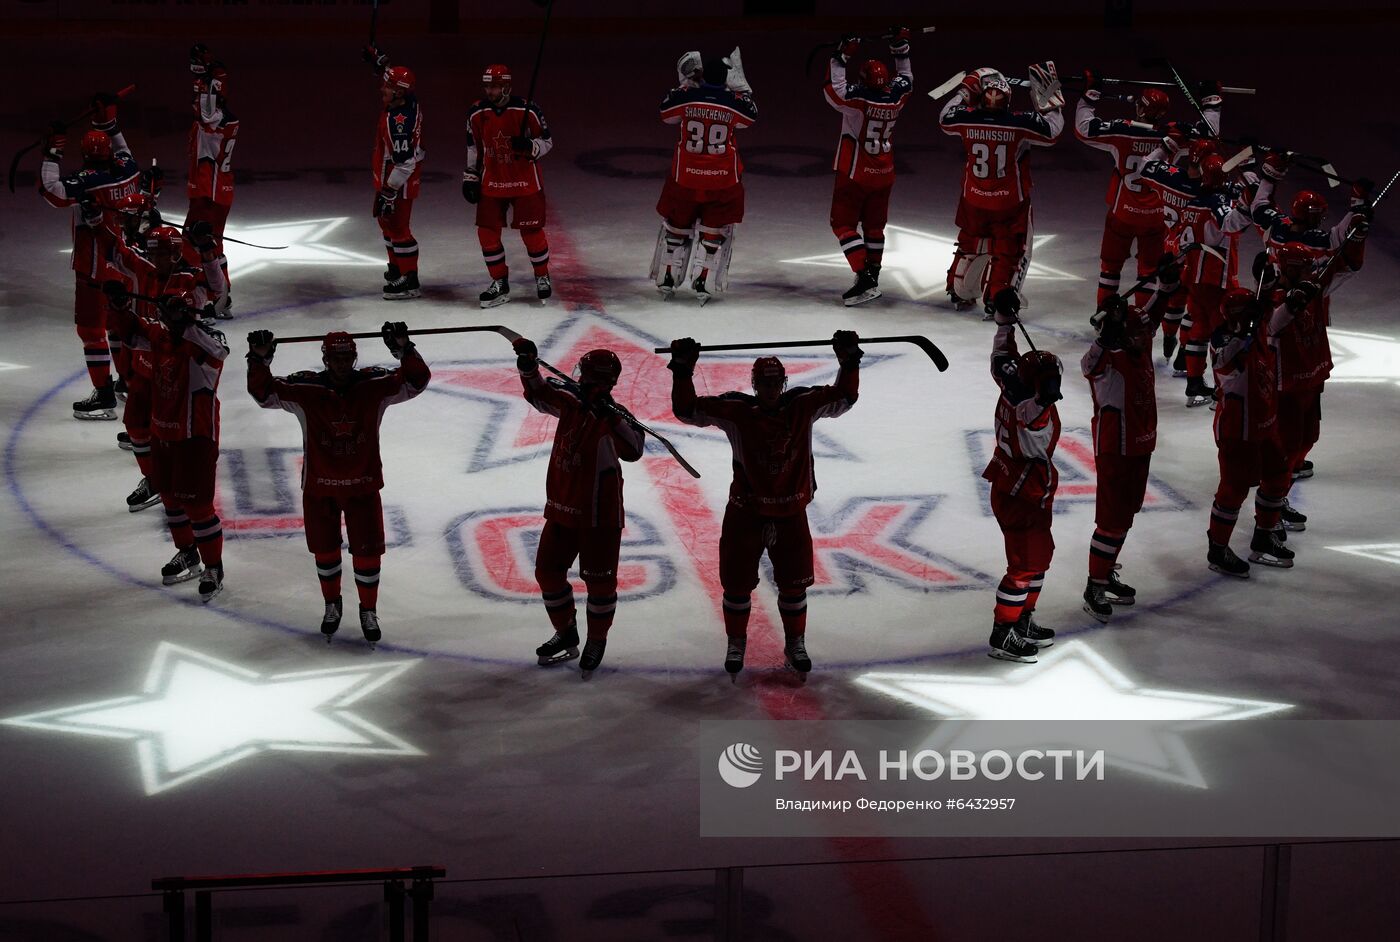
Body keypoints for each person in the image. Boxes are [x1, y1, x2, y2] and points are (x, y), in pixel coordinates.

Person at [668, 331, 862, 679]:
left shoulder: (802, 405)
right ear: (754, 384)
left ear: (784, 383)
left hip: (791, 512)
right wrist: (682, 370)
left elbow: (845, 397)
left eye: (775, 383)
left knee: (794, 585)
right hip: (746, 511)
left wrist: (849, 362)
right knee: (736, 584)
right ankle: (736, 641)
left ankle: (795, 642)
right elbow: (687, 410)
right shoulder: (737, 410)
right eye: (765, 383)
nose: (771, 389)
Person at [246, 323, 430, 647]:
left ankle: (368, 609)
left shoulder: (374, 385)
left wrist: (405, 349)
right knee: (325, 549)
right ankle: (332, 603)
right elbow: (263, 394)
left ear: (354, 358)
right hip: (320, 487)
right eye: (336, 359)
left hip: (363, 486)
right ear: (326, 359)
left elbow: (417, 381)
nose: (342, 365)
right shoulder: (307, 389)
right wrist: (259, 359)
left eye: (347, 359)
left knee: (368, 552)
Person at [511, 340, 644, 677]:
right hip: (562, 507)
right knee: (547, 573)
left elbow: (634, 449)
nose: (580, 378)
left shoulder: (615, 414)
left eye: (585, 373)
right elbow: (539, 393)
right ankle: (566, 631)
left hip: (600, 515)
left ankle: (596, 639)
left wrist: (609, 416)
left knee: (600, 584)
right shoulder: (570, 400)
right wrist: (528, 367)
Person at [103, 283, 230, 602]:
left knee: (198, 508)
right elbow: (131, 331)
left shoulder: (206, 339)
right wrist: (119, 305)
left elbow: (219, 353)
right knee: (171, 500)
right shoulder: (159, 337)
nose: (167, 319)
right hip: (163, 435)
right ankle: (187, 552)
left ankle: (214, 567)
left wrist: (184, 325)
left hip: (195, 439)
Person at [1079, 259, 1181, 620]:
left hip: (1140, 443)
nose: (1145, 337)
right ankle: (1094, 585)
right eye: (1138, 334)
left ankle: (1105, 572)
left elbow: (1150, 316)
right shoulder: (1108, 359)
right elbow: (1087, 365)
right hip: (1116, 449)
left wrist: (1165, 287)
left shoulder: (1137, 342)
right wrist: (1103, 338)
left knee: (1126, 515)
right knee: (1112, 519)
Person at [106, 219, 227, 513]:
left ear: (174, 254)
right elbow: (115, 253)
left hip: (179, 363)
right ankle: (152, 479)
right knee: (135, 425)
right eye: (152, 253)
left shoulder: (191, 278)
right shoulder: (145, 271)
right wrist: (117, 302)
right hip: (147, 358)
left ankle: (177, 483)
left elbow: (218, 288)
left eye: (159, 253)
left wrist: (207, 249)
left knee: (178, 432)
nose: (154, 259)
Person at [39, 92, 140, 419]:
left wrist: (53, 151)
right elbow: (124, 150)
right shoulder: (128, 169)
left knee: (91, 331)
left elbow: (52, 192)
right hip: (125, 264)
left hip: (94, 269)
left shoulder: (86, 183)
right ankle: (128, 381)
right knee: (118, 326)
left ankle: (105, 395)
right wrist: (109, 123)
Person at [939, 63, 1063, 317]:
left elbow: (944, 117)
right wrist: (1050, 99)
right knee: (1009, 250)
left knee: (969, 242)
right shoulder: (1019, 122)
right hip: (1009, 204)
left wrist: (965, 90)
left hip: (973, 199)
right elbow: (1052, 131)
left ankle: (958, 289)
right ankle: (997, 298)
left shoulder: (966, 117)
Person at [1139, 146, 1253, 406]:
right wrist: (1249, 194)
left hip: (1194, 277)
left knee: (1199, 330)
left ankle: (1194, 384)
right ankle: (1222, 390)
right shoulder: (1216, 203)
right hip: (1215, 278)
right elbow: (1233, 224)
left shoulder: (1192, 202)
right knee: (1222, 333)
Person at [983, 288, 1060, 661]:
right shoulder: (1032, 412)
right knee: (1024, 565)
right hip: (1022, 493)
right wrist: (1045, 398)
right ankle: (1003, 633)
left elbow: (1001, 358)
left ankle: (1023, 619)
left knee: (1039, 557)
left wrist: (1004, 322)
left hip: (1016, 486)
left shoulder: (1011, 384)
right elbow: (1036, 412)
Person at [654, 52, 758, 304]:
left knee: (677, 225)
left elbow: (665, 113)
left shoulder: (686, 97)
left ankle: (668, 275)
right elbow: (750, 117)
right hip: (722, 180)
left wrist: (685, 85)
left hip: (685, 177)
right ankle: (704, 278)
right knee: (715, 229)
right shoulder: (733, 102)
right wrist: (742, 89)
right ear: (726, 79)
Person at [822, 28, 913, 306]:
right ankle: (872, 276)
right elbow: (906, 79)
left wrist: (841, 56)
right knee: (874, 228)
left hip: (855, 173)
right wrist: (900, 47)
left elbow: (833, 90)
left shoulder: (859, 101)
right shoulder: (896, 97)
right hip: (884, 173)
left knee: (843, 224)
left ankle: (864, 276)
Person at [1205, 289, 1293, 576]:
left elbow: (1278, 316)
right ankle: (1218, 549)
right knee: (1233, 489)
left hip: (1265, 421)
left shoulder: (1259, 330)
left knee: (1278, 475)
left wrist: (1270, 297)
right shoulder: (1222, 340)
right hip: (1237, 429)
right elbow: (1223, 362)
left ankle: (1264, 536)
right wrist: (1246, 332)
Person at [1074, 73, 1170, 309]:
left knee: (1110, 267)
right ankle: (1143, 319)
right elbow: (1209, 135)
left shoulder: (1123, 131)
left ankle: (1104, 317)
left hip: (1122, 215)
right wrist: (1212, 104)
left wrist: (1090, 96)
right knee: (1149, 272)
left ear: (1141, 109)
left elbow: (1083, 129)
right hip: (1156, 218)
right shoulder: (1172, 138)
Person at [463, 64, 555, 308]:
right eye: (487, 86)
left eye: (494, 87)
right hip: (492, 181)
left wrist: (530, 146)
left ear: (506, 87)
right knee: (486, 232)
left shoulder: (528, 109)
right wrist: (471, 175)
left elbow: (547, 141)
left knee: (532, 232)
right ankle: (499, 282)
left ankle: (542, 275)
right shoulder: (477, 112)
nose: (489, 91)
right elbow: (474, 147)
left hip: (525, 181)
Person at [363, 45, 426, 300]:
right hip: (391, 178)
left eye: (387, 86)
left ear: (398, 92)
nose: (382, 89)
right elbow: (397, 79)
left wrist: (389, 191)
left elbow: (405, 163)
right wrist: (380, 62)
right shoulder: (408, 99)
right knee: (386, 223)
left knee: (399, 228)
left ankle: (409, 280)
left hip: (398, 181)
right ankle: (397, 267)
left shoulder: (397, 123)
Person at [186, 43, 238, 316]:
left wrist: (206, 82)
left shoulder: (212, 123)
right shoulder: (224, 118)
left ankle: (209, 298)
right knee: (215, 244)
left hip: (209, 194)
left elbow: (207, 114)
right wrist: (205, 78)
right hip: (220, 191)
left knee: (196, 245)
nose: (196, 101)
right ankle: (223, 296)